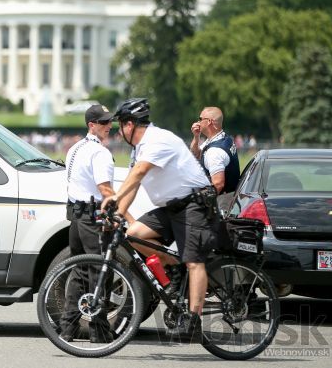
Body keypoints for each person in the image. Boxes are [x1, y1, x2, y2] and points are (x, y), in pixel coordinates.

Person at [101, 98, 218, 341]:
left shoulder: (157, 140)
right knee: (133, 234)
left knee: (194, 261)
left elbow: (139, 173)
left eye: (120, 126)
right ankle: (175, 269)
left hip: (193, 204)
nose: (119, 132)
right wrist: (116, 214)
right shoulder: (139, 148)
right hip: (171, 207)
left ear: (130, 124)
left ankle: (193, 321)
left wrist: (113, 198)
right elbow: (133, 186)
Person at [59, 104, 116, 343]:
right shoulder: (99, 152)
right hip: (92, 216)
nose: (109, 127)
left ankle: (68, 328)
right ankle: (99, 330)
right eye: (103, 123)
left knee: (80, 271)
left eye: (109, 122)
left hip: (77, 214)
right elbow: (105, 189)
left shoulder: (75, 148)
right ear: (92, 125)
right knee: (100, 272)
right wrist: (118, 213)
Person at [189, 107, 240, 209]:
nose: (197, 122)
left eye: (200, 119)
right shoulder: (222, 137)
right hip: (228, 198)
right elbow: (196, 154)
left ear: (209, 122)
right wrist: (196, 137)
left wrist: (199, 203)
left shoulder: (214, 152)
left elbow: (218, 184)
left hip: (220, 203)